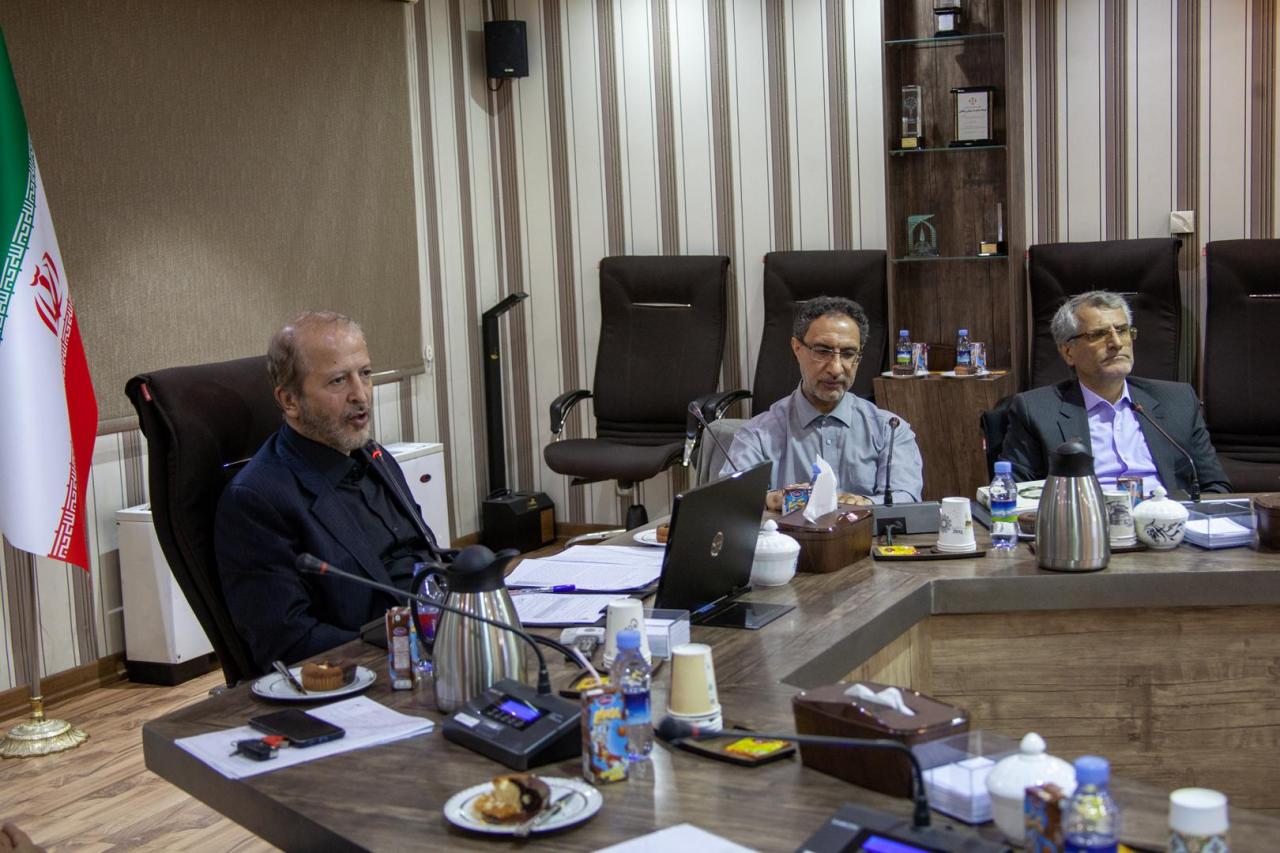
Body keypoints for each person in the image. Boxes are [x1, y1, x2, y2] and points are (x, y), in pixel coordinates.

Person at [215, 311, 450, 671]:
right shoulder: (257, 500)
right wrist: (408, 642)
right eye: (339, 381)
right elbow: (289, 642)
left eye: (365, 374)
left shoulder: (374, 456)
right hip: (373, 672)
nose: (361, 395)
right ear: (290, 401)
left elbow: (424, 557)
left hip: (441, 638)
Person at [1001, 290, 1229, 497]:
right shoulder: (1036, 411)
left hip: (1168, 521)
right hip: (1088, 523)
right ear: (1068, 352)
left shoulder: (1178, 401)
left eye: (1122, 330)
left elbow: (1215, 486)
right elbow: (1015, 495)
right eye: (1099, 334)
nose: (1117, 343)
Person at [720, 296, 924, 502]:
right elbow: (732, 502)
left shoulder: (890, 430)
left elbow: (905, 497)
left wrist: (865, 504)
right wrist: (774, 500)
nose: (835, 369)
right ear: (797, 348)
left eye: (848, 354)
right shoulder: (757, 436)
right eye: (823, 351)